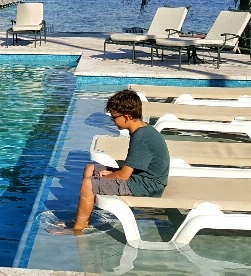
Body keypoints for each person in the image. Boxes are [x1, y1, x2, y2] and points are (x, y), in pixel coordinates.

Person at [50, 89, 170, 234]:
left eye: (113, 118)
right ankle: (85, 220)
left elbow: (123, 176)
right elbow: (129, 169)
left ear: (126, 117)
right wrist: (109, 174)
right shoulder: (143, 129)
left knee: (89, 184)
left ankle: (78, 229)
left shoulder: (141, 137)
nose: (112, 121)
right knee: (90, 168)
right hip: (141, 177)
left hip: (148, 185)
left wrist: (107, 176)